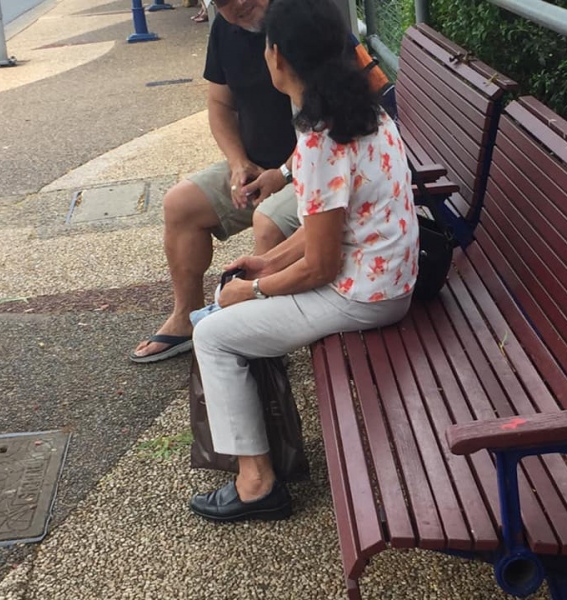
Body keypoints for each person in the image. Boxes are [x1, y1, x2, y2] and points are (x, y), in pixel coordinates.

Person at [188, 0, 419, 522]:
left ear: (278, 57)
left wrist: (253, 290)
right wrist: (267, 263)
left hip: (366, 296)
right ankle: (260, 461)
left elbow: (320, 266)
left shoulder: (318, 139)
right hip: (389, 276)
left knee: (213, 336)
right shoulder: (362, 110)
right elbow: (329, 228)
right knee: (234, 305)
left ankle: (256, 484)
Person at [130, 0, 299, 363]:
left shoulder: (301, 16)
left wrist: (284, 174)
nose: (238, 4)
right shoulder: (225, 29)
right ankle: (185, 317)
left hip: (311, 169)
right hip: (258, 166)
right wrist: (238, 163)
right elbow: (220, 104)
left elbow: (330, 120)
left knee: (267, 219)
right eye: (221, 2)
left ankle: (262, 337)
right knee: (180, 204)